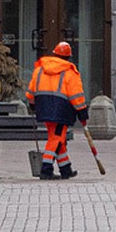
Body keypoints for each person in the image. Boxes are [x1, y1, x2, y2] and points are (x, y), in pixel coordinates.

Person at [25, 41, 89, 180]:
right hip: (61, 110)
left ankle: (66, 169)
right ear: (68, 57)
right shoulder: (70, 72)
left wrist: (32, 104)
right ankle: (46, 169)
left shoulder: (40, 69)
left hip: (43, 107)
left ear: (54, 54)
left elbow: (31, 91)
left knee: (57, 138)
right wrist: (82, 112)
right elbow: (76, 95)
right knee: (56, 138)